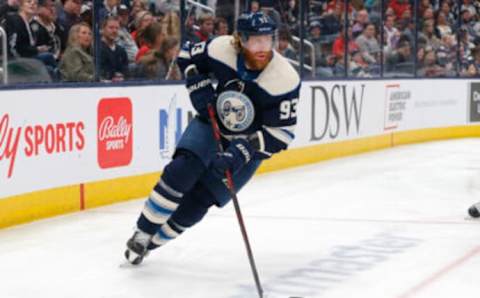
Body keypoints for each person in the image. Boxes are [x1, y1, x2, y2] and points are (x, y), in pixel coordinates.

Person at [124, 11, 301, 265]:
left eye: (268, 39)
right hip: (212, 123)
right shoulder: (221, 48)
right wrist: (198, 84)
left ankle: (152, 243)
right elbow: (187, 55)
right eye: (255, 40)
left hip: (248, 144)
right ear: (240, 39)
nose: (263, 48)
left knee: (200, 201)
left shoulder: (285, 79)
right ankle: (142, 233)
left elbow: (281, 134)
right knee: (181, 170)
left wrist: (241, 152)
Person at [99, 16, 128, 81]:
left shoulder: (121, 50)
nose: (114, 31)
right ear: (103, 29)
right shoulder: (96, 49)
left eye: (117, 28)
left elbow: (126, 71)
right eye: (111, 28)